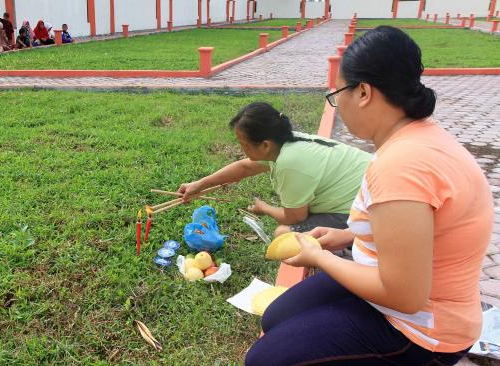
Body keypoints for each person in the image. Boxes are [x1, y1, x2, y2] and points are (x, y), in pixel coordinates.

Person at [245, 26, 493, 366]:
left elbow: (404, 295)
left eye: (338, 93)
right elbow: (414, 233)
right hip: (391, 291)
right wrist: (346, 236)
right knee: (276, 317)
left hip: (420, 330)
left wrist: (318, 257)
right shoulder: (416, 140)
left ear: (363, 92)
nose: (338, 104)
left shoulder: (402, 165)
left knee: (264, 361)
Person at [178, 102, 371, 236]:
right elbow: (245, 167)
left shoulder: (290, 163)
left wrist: (265, 208)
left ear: (265, 145)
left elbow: (294, 218)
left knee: (283, 234)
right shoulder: (285, 141)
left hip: (365, 211)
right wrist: (199, 185)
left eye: (243, 143)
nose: (241, 149)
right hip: (371, 188)